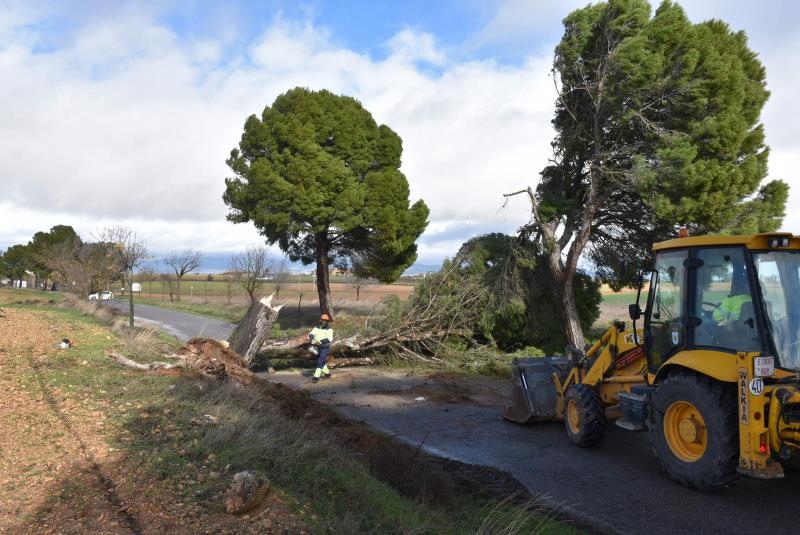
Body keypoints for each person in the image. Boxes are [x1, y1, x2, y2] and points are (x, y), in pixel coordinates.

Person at [309, 313, 333, 383]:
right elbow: (311, 334)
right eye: (323, 320)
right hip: (317, 347)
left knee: (320, 362)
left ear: (327, 321)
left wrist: (320, 341)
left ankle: (316, 377)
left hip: (324, 347)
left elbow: (330, 339)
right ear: (320, 320)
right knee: (322, 361)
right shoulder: (317, 327)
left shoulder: (329, 329)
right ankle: (327, 374)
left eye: (325, 320)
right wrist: (312, 339)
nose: (324, 321)